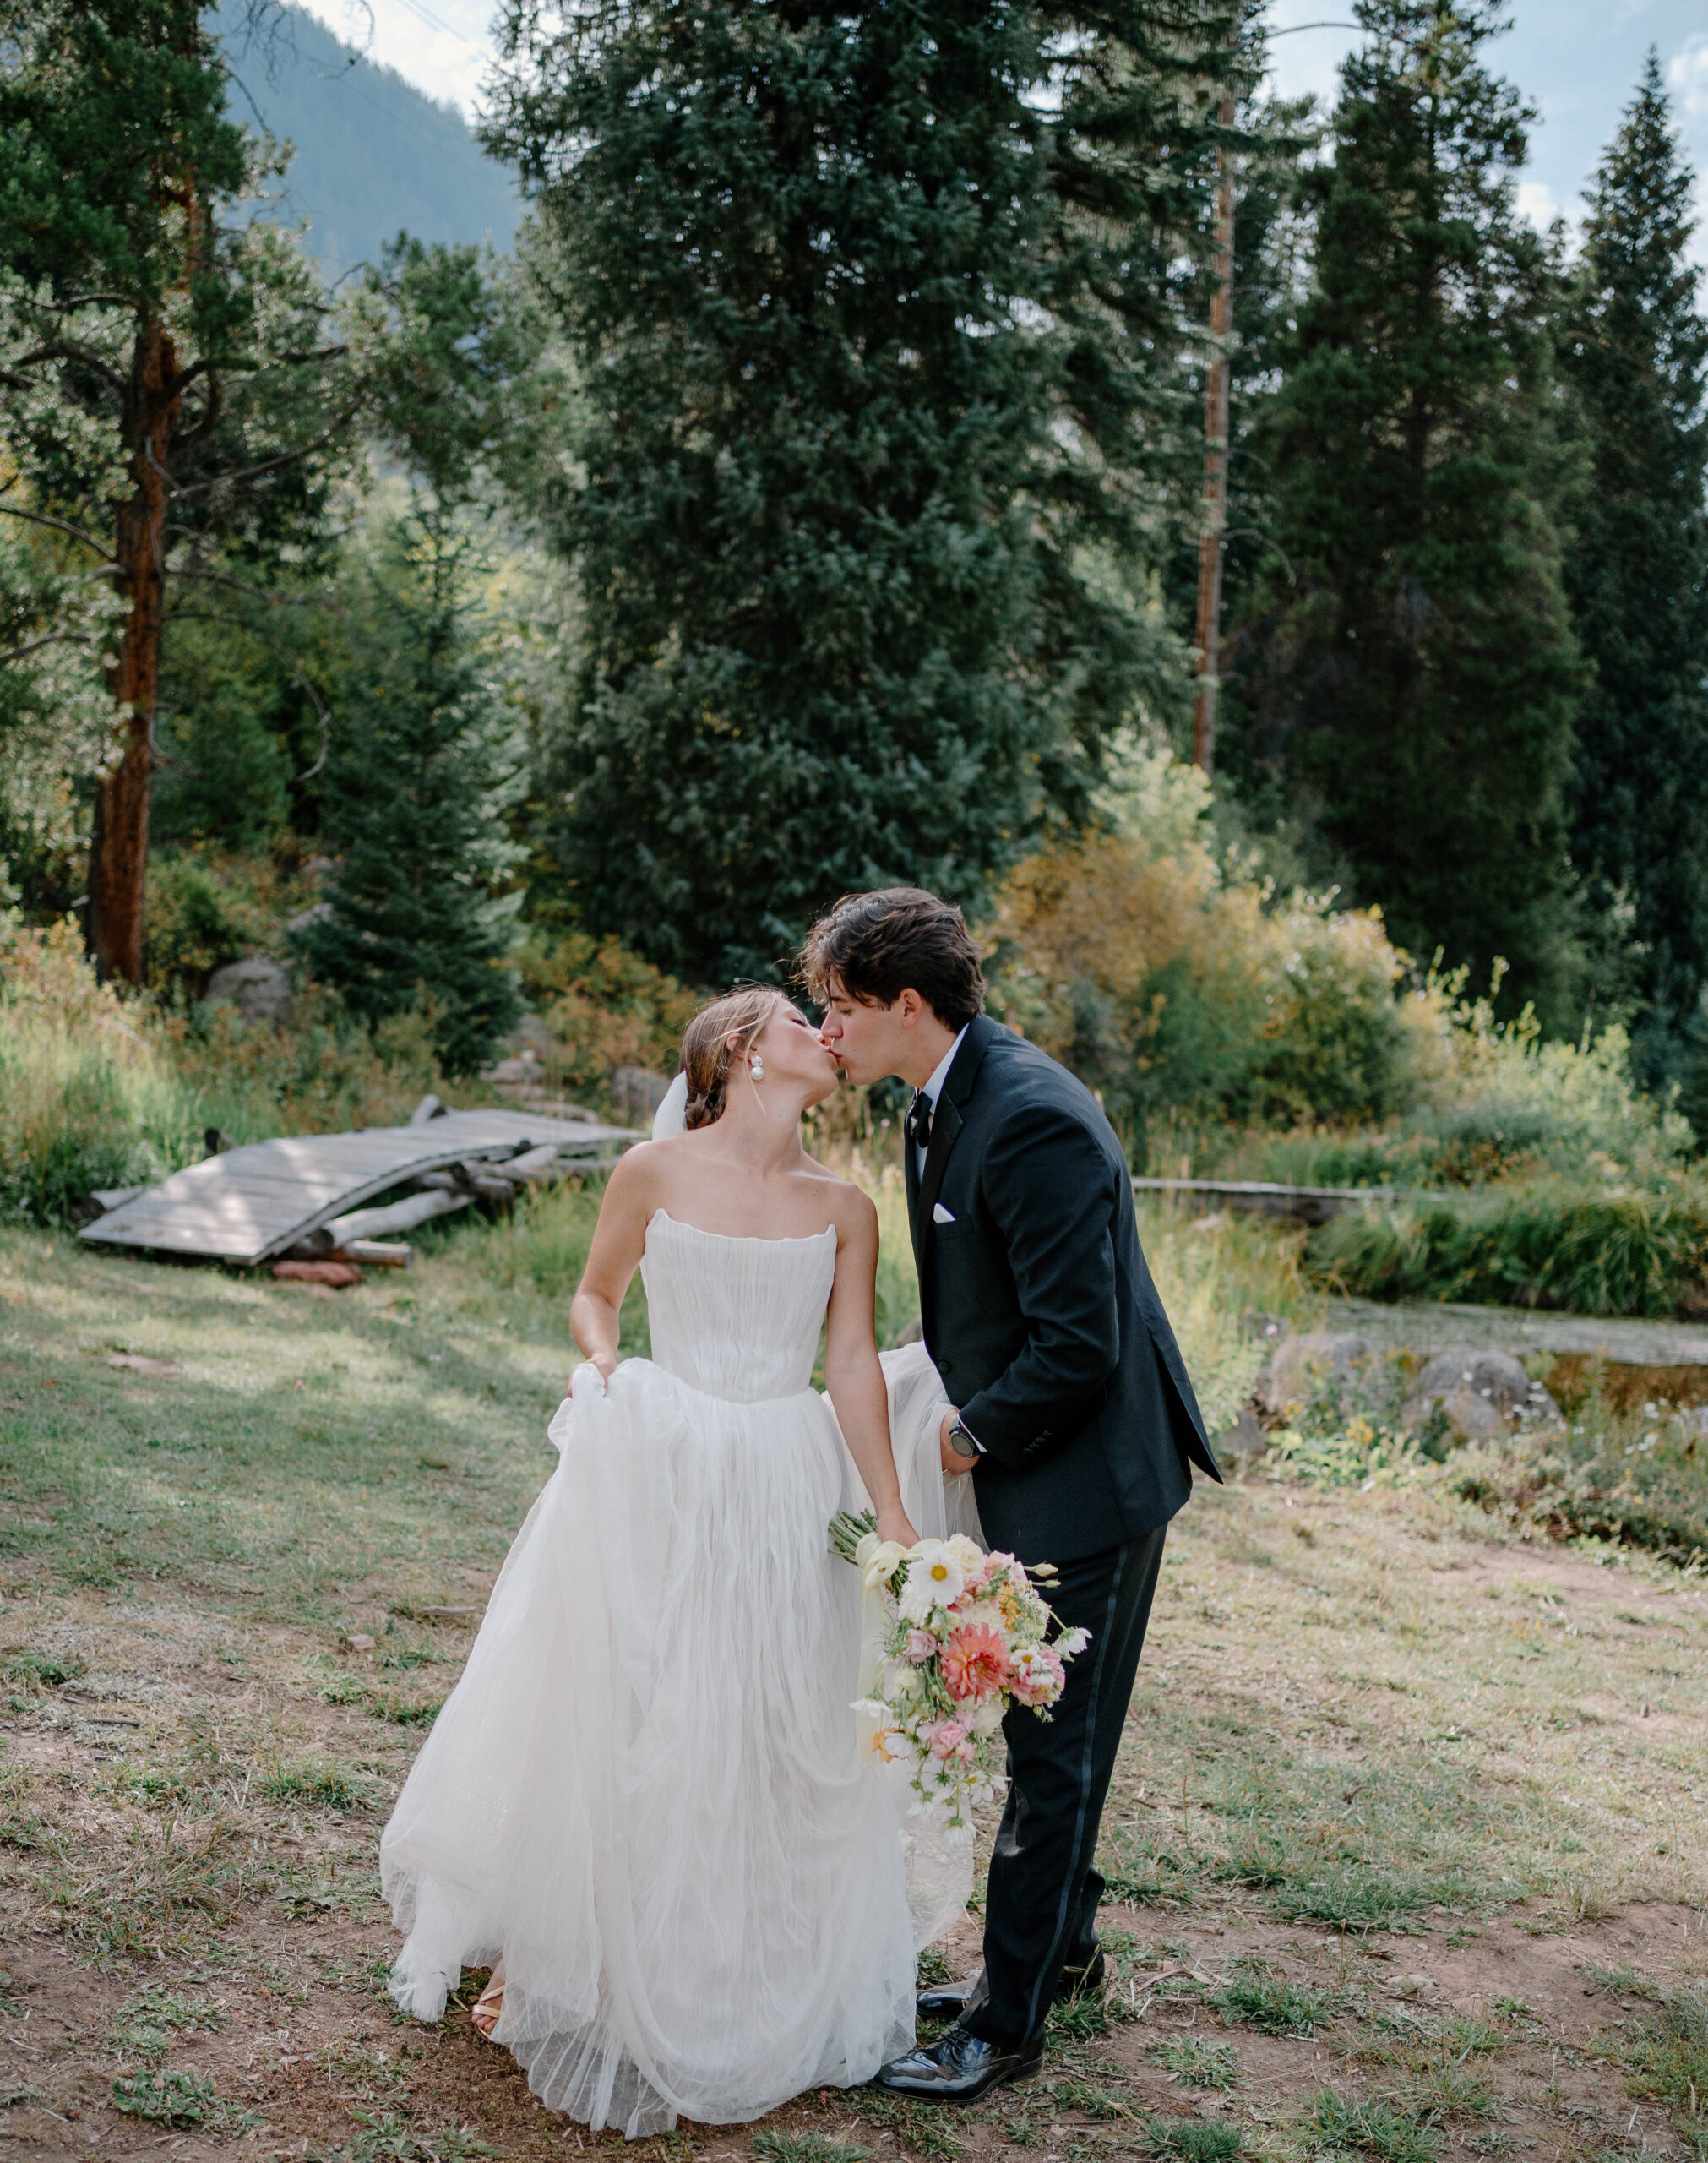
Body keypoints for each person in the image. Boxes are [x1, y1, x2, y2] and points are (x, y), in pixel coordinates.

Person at [379, 986, 968, 2138]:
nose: (828, 1036)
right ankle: (564, 1955)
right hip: (668, 1454)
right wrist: (600, 1364)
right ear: (744, 1052)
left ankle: (736, 1955)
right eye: (807, 1022)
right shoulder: (652, 1174)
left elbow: (850, 1364)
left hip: (785, 1476)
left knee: (765, 1714)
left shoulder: (844, 1207)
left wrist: (893, 1513)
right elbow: (595, 1295)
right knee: (638, 1700)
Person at [807, 887, 1220, 2105]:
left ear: (906, 1004)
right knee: (1060, 1741)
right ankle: (1057, 1957)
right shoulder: (942, 1096)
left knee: (1050, 1756)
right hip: (1052, 1459)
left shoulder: (1032, 1117)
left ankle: (1004, 2024)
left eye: (839, 1009)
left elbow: (1079, 1342)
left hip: (1087, 1477)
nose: (825, 1031)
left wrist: (965, 1436)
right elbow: (991, 1276)